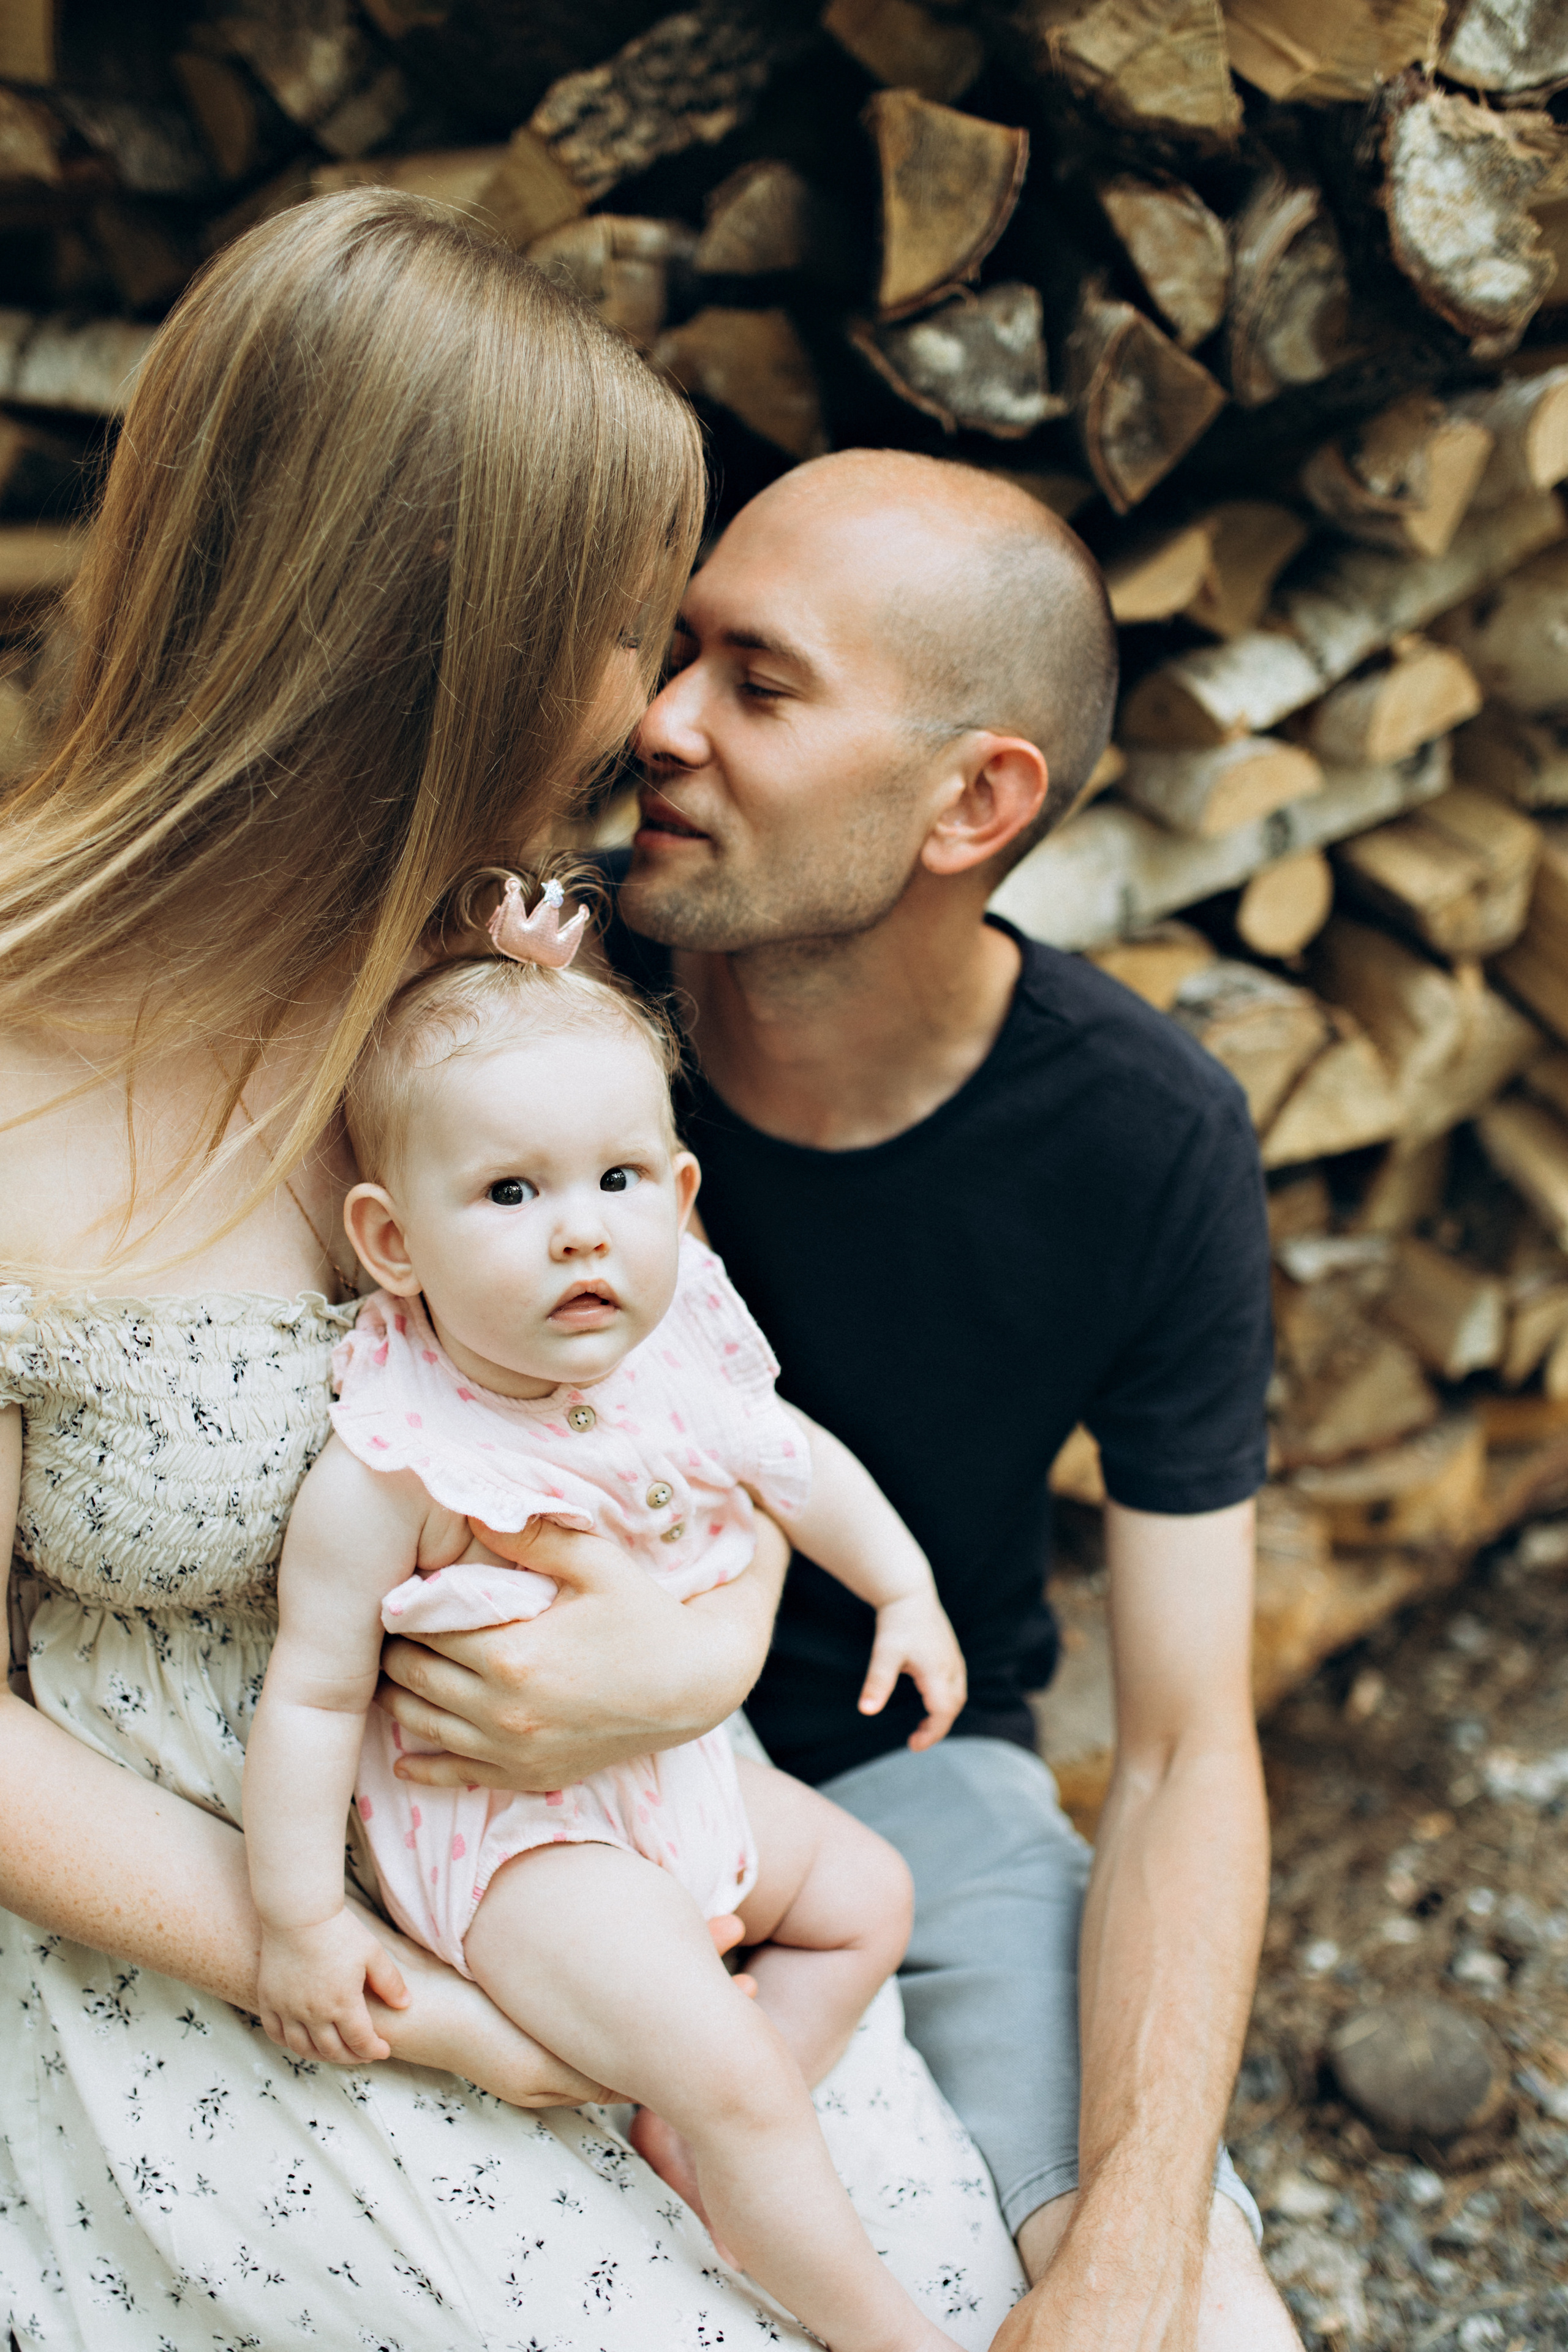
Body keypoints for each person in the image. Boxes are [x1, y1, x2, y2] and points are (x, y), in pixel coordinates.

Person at [0, 204, 1025, 2350]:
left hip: (608, 1836)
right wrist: (411, 1999)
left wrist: (688, 1652)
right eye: (623, 626)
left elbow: (695, 1396)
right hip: (210, 1934)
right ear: (416, 639)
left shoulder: (496, 983)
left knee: (909, 2264)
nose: (651, 712)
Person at [370, 450, 1304, 2350]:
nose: (659, 722)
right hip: (489, 1776)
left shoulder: (1148, 1139)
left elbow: (1195, 1747)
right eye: (680, 649)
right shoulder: (499, 1026)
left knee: (1201, 2314)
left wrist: (1130, 2237)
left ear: (977, 800)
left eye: (759, 681)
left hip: (906, 1788)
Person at [245, 899, 971, 2352]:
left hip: (676, 1782)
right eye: (509, 1195)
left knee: (865, 1898)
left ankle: (702, 2125)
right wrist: (299, 1923)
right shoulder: (396, 1461)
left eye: (620, 1179)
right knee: (742, 2081)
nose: (580, 1228)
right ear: (391, 1241)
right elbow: (312, 1700)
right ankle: (865, 2304)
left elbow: (795, 1462)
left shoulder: (676, 1360)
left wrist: (902, 1587)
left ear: (680, 1193)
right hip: (524, 1848)